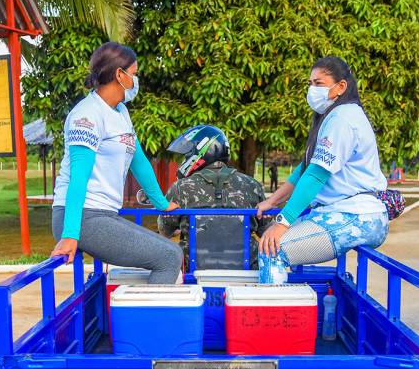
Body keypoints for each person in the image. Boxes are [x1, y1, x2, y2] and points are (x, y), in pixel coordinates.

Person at [51, 42, 182, 283]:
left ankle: (143, 317)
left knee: (170, 252)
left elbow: (138, 160)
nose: (136, 81)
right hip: (81, 216)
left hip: (102, 214)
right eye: (134, 74)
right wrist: (70, 234)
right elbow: (78, 178)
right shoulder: (87, 115)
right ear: (119, 75)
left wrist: (161, 203)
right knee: (169, 256)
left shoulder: (120, 111)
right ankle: (147, 322)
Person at [256, 56, 389, 284]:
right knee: (269, 236)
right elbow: (304, 169)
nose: (312, 89)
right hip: (342, 213)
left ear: (341, 87)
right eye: (310, 84)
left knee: (272, 249)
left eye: (319, 83)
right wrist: (273, 201)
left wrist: (283, 221)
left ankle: (274, 319)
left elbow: (316, 175)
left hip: (357, 216)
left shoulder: (343, 118)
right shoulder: (333, 116)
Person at [158, 125, 269, 271]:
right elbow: (266, 230)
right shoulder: (252, 185)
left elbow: (165, 230)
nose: (184, 159)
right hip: (245, 269)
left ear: (200, 152)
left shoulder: (180, 187)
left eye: (187, 154)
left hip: (194, 270)